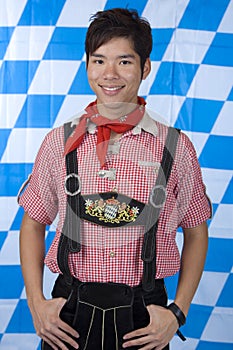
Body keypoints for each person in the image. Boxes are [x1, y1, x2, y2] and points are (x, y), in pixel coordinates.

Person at [19, 8, 211, 350]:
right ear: (87, 65)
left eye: (124, 61)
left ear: (145, 67)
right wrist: (36, 303)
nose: (110, 74)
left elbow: (196, 232)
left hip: (144, 315)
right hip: (69, 312)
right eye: (99, 61)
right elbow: (33, 224)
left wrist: (177, 312)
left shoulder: (176, 148)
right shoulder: (59, 143)